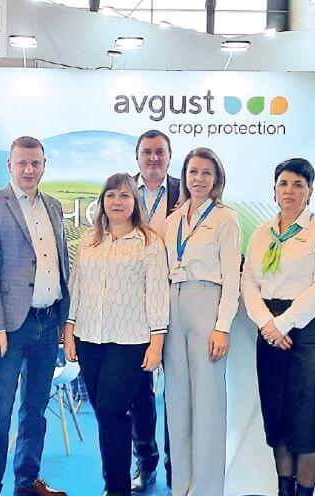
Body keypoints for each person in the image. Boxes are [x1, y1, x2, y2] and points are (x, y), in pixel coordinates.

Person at [62, 173, 169, 496]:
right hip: (89, 338)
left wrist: (157, 343)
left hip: (131, 340)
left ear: (135, 202)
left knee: (111, 410)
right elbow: (77, 287)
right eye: (111, 195)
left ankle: (117, 487)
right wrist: (69, 330)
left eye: (124, 196)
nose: (117, 202)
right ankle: (126, 474)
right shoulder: (89, 240)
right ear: (102, 202)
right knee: (106, 413)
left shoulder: (149, 242)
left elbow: (157, 295)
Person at [0, 136, 71, 496]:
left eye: (35, 163)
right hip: (10, 327)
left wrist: (64, 319)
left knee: (35, 409)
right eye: (22, 163)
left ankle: (27, 482)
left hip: (48, 322)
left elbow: (61, 263)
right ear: (10, 165)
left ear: (44, 165)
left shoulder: (53, 206)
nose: (29, 170)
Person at [241, 158, 315, 496]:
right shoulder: (262, 233)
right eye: (283, 184)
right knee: (278, 416)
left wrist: (284, 323)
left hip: (310, 330)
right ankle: (285, 489)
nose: (290, 190)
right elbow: (248, 282)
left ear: (309, 192)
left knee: (310, 420)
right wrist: (267, 324)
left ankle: (305, 492)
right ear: (274, 190)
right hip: (270, 330)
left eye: (298, 185)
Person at [162, 147, 241, 496]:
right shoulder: (172, 220)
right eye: (193, 172)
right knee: (177, 400)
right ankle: (181, 486)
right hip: (173, 303)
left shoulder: (226, 219)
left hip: (207, 302)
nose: (199, 179)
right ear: (184, 176)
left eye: (206, 172)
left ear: (217, 178)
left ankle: (207, 489)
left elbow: (232, 279)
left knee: (208, 402)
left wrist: (222, 327)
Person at [129, 129, 178, 492]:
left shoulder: (185, 190)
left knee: (177, 391)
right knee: (138, 392)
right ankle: (145, 463)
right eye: (147, 152)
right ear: (137, 156)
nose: (153, 158)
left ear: (169, 156)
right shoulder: (122, 191)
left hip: (177, 300)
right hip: (133, 306)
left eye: (160, 152)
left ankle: (179, 466)